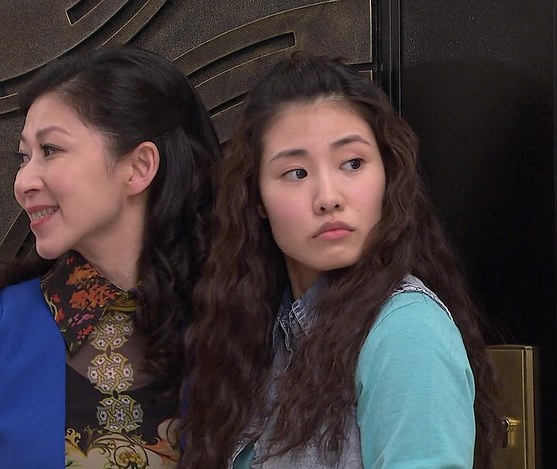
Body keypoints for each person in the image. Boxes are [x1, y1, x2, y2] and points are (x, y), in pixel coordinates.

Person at [0, 46, 220, 469]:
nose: (23, 181)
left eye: (50, 150)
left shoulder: (232, 323)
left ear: (139, 167)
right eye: (24, 157)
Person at [180, 53, 501, 468]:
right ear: (257, 197)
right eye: (297, 173)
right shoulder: (260, 332)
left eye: (352, 163)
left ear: (388, 174)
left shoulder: (405, 330)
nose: (328, 197)